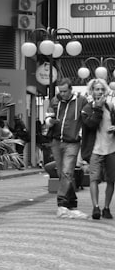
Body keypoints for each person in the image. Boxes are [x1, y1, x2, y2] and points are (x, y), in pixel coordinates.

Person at [47, 78, 89, 217]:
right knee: (62, 174)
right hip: (56, 141)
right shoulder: (54, 100)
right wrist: (50, 121)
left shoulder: (81, 101)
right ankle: (72, 202)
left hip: (72, 141)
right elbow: (48, 119)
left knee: (66, 172)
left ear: (71, 89)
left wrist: (82, 135)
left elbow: (86, 119)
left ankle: (62, 203)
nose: (63, 94)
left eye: (65, 91)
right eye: (61, 91)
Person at [81, 79, 115, 220]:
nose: (99, 92)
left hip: (111, 148)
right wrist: (97, 109)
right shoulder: (87, 109)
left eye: (102, 89)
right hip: (95, 150)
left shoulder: (111, 107)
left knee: (111, 180)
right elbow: (91, 125)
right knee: (94, 179)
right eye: (96, 89)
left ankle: (106, 208)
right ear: (91, 91)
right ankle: (95, 207)